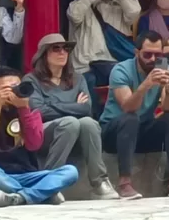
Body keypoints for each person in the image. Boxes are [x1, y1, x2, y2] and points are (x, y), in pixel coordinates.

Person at [23, 33, 117, 199]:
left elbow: (86, 109)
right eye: (56, 48)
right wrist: (74, 106)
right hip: (43, 133)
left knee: (88, 123)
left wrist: (52, 104)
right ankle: (49, 182)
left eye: (66, 49)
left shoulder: (78, 79)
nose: (62, 52)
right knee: (70, 122)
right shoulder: (31, 80)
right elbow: (39, 112)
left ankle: (99, 182)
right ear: (44, 54)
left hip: (75, 132)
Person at [99, 30, 169, 200]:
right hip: (114, 133)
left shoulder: (166, 69)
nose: (153, 60)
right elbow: (127, 106)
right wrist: (146, 85)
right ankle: (125, 182)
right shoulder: (121, 70)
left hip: (141, 130)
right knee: (130, 118)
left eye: (158, 54)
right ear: (136, 52)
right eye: (148, 54)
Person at [0, 68, 78, 207]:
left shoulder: (31, 112)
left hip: (27, 176)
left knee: (71, 172)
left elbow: (34, 144)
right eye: (5, 89)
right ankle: (40, 195)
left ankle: (20, 197)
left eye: (16, 87)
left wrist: (23, 108)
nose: (12, 91)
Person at [67, 0, 140, 111]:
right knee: (89, 87)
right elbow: (74, 15)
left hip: (114, 64)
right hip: (86, 67)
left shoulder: (119, 7)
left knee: (127, 83)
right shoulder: (82, 5)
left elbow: (134, 11)